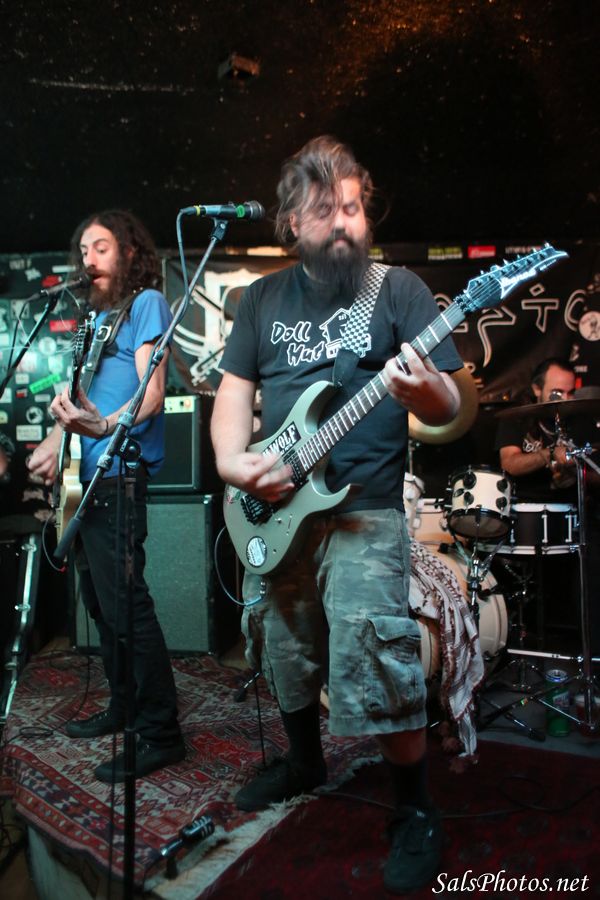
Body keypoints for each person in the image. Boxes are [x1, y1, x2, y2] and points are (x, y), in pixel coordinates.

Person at [211, 136, 463, 894]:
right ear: (292, 221)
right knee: (282, 646)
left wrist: (426, 393)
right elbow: (234, 395)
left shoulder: (398, 291)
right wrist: (231, 463)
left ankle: (413, 809)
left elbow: (450, 403)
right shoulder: (262, 299)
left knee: (378, 658)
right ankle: (303, 761)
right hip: (274, 508)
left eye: (353, 207)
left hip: (363, 512)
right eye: (325, 210)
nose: (345, 221)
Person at [27, 209, 185, 783]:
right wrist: (56, 441)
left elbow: (151, 395)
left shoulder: (146, 304)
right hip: (85, 480)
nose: (88, 259)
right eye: (83, 250)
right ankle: (124, 706)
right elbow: (81, 404)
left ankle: (162, 733)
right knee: (98, 604)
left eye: (100, 248)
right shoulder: (95, 320)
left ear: (129, 252)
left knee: (126, 605)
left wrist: (102, 427)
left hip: (119, 475)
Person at [495, 357, 578, 499]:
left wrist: (576, 477)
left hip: (570, 505)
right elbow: (509, 464)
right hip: (525, 504)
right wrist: (550, 453)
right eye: (557, 393)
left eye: (570, 392)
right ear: (537, 389)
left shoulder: (580, 418)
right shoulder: (517, 417)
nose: (565, 398)